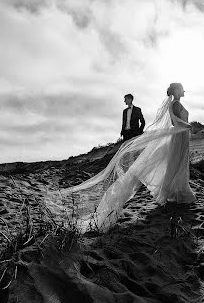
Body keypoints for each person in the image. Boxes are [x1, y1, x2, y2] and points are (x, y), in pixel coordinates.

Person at [60, 82, 196, 232]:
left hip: (181, 135)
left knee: (177, 162)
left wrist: (184, 127)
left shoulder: (175, 103)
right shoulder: (175, 104)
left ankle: (176, 191)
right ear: (176, 91)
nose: (184, 90)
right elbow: (174, 121)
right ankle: (176, 192)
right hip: (180, 134)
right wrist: (187, 126)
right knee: (177, 162)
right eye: (181, 88)